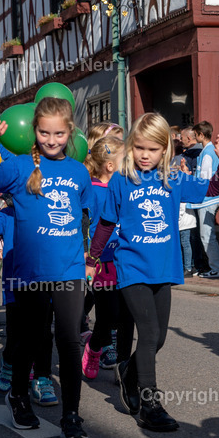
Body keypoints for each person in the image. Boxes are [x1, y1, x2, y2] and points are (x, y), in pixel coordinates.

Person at [88, 113, 219, 432]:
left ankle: (128, 373)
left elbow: (209, 189)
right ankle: (149, 403)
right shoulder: (122, 181)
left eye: (152, 149)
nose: (144, 155)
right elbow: (106, 223)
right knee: (149, 334)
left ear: (164, 149)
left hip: (163, 269)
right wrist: (92, 259)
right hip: (132, 267)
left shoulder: (174, 179)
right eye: (139, 147)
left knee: (160, 338)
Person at [0, 97, 94, 438]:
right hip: (30, 274)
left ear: (69, 132)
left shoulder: (78, 171)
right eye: (43, 132)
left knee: (69, 341)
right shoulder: (20, 167)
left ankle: (71, 416)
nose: (51, 140)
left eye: (58, 133)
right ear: (34, 131)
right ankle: (19, 397)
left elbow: (82, 214)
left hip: (69, 271)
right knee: (31, 338)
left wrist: (87, 258)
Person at [81, 135, 134, 378]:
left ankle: (123, 367)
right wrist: (85, 251)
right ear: (111, 166)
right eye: (127, 160)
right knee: (108, 317)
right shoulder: (92, 190)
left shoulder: (126, 187)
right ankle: (94, 348)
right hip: (100, 263)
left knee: (126, 317)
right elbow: (83, 221)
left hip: (124, 262)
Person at [185, 121, 219, 279]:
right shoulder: (208, 151)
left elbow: (205, 178)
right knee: (206, 234)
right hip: (209, 199)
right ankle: (216, 266)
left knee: (206, 235)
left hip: (207, 199)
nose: (194, 138)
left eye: (196, 135)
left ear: (201, 135)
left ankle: (217, 267)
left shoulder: (207, 152)